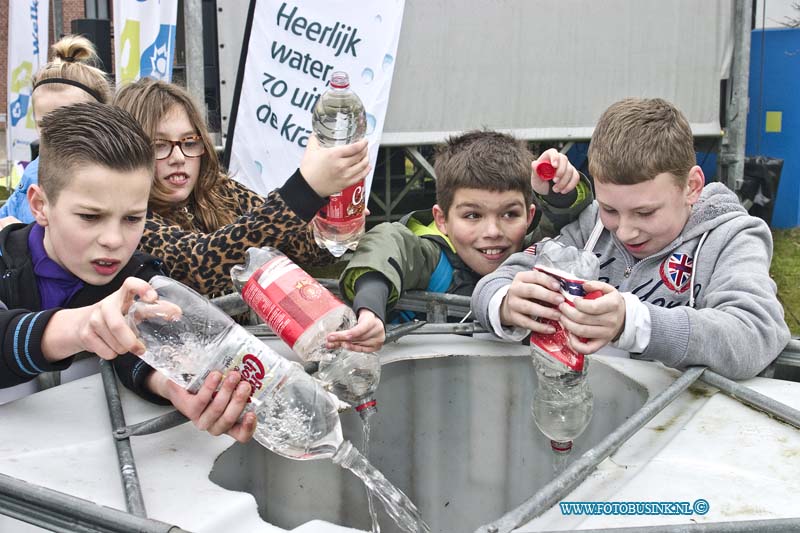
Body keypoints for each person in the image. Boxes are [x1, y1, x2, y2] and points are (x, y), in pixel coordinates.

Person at [471, 98, 790, 380]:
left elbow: (755, 333)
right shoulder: (592, 229)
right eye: (610, 208)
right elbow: (494, 283)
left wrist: (635, 324)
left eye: (645, 213)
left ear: (691, 187)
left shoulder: (732, 237)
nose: (623, 231)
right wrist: (507, 303)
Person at [0, 102, 255, 441]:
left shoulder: (140, 276)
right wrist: (81, 326)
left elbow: (143, 352)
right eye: (90, 217)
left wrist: (173, 384)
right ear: (39, 205)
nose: (114, 240)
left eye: (133, 218)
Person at [327, 130, 593, 353]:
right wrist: (370, 309)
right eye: (473, 215)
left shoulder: (533, 257)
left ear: (529, 215)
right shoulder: (431, 259)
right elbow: (388, 242)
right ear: (441, 219)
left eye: (509, 214)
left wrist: (561, 192)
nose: (492, 231)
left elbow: (565, 226)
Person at [113, 78, 370, 296]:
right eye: (160, 145)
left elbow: (305, 249)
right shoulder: (125, 218)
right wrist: (305, 190)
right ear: (130, 152)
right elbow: (199, 264)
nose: (179, 157)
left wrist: (333, 224)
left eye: (189, 142)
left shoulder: (220, 191)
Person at [0, 35, 111, 228]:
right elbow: (7, 214)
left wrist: (15, 237)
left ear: (101, 120)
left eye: (69, 123)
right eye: (45, 125)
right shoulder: (35, 170)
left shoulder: (115, 175)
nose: (56, 135)